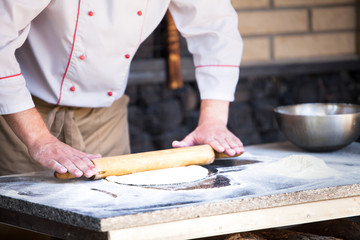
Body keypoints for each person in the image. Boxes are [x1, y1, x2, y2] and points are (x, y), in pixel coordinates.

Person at [0, 0, 244, 178]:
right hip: (20, 117)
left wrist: (213, 121)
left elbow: (215, 27)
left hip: (107, 120)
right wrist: (39, 139)